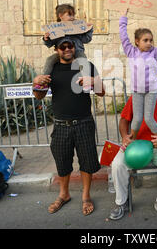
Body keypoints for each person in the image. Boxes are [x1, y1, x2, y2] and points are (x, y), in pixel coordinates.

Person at [32, 37, 105, 216]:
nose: (67, 49)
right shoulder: (52, 69)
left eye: (70, 46)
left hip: (84, 122)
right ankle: (64, 195)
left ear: (75, 47)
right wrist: (37, 82)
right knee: (62, 162)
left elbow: (102, 91)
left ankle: (86, 196)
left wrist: (92, 81)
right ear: (56, 49)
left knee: (87, 162)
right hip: (61, 124)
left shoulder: (85, 65)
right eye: (62, 47)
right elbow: (39, 96)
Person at [109, 69, 157, 221]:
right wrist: (124, 137)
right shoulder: (137, 99)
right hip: (135, 145)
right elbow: (123, 120)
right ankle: (121, 202)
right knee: (117, 164)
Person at [119, 8, 157, 156]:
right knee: (137, 119)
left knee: (149, 118)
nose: (149, 43)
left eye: (151, 40)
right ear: (137, 42)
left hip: (152, 90)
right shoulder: (131, 52)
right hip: (137, 91)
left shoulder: (156, 53)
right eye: (145, 40)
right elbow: (123, 37)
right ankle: (129, 141)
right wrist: (123, 18)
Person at [41, 4, 93, 77]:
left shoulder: (77, 27)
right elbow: (49, 44)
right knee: (50, 60)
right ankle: (44, 78)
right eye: (69, 15)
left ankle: (86, 77)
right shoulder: (55, 29)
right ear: (61, 16)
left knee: (82, 59)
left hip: (78, 51)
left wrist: (89, 30)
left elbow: (86, 39)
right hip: (62, 54)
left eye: (73, 15)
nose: (72, 17)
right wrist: (46, 39)